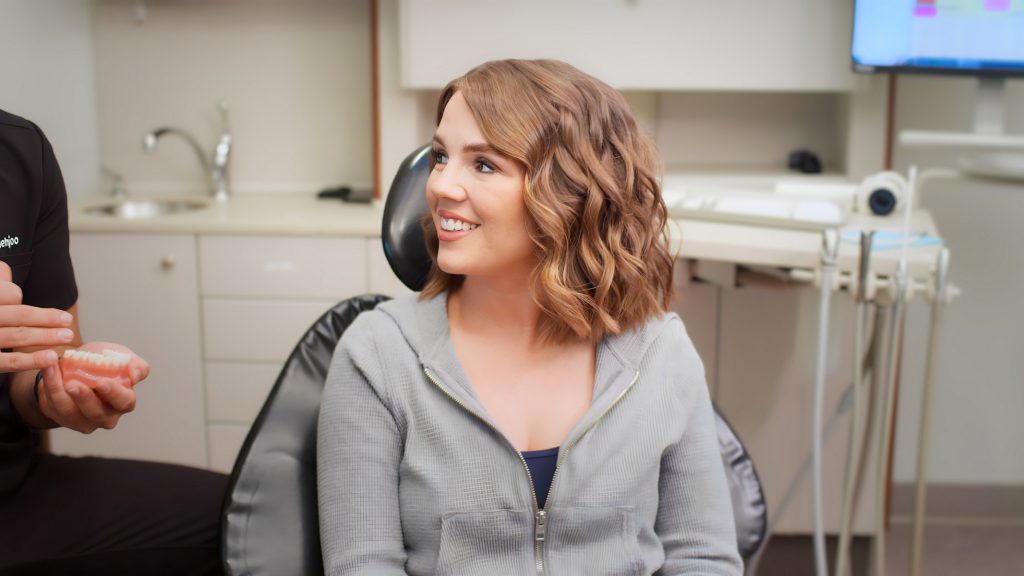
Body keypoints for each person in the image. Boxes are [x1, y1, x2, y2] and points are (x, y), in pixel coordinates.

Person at [317, 59, 742, 575]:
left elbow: (702, 558)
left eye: (484, 165)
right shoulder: (379, 356)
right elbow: (363, 566)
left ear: (571, 192)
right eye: (441, 156)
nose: (442, 186)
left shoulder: (659, 352)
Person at [0, 108, 226, 575]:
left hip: (15, 493)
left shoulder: (22, 151)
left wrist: (58, 388)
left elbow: (38, 361)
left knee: (255, 518)